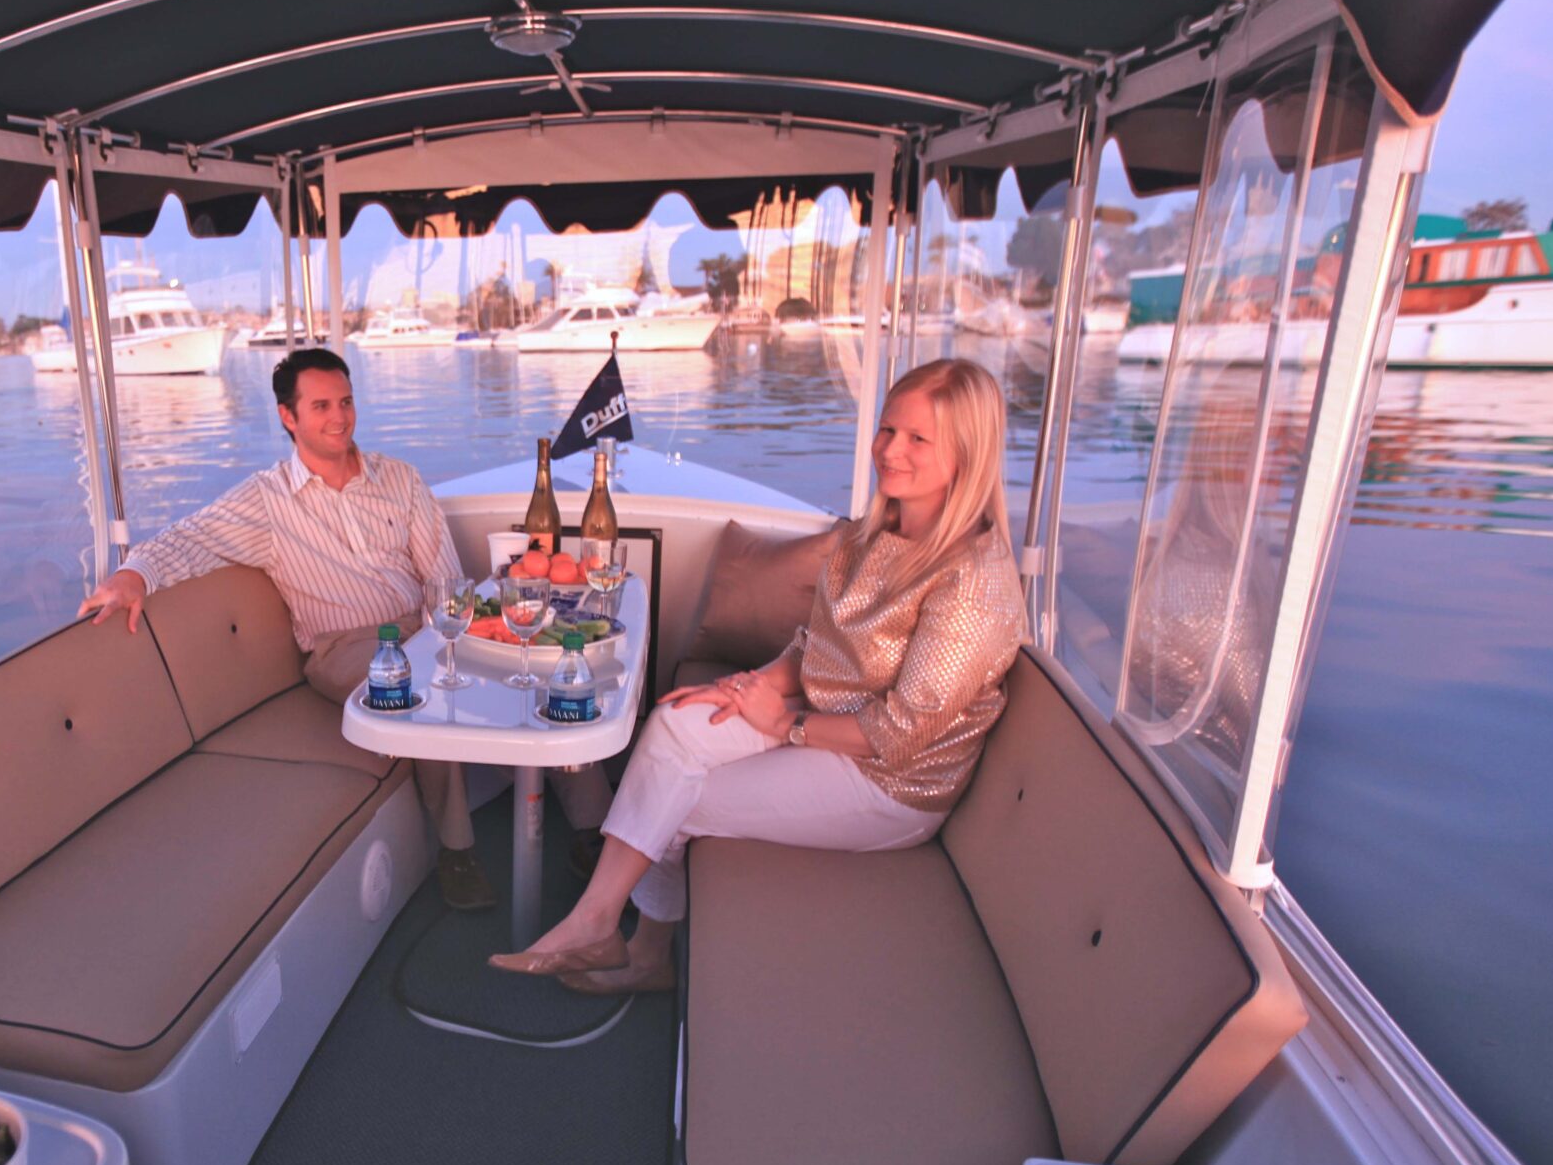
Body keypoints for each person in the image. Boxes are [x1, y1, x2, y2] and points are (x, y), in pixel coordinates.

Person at [488, 358, 1026, 992]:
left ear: (967, 453)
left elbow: (900, 733)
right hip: (820, 721)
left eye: (917, 439)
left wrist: (787, 724)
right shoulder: (870, 535)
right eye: (886, 429)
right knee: (674, 723)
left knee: (679, 800)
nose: (889, 450)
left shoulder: (973, 581)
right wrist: (755, 685)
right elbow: (815, 643)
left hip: (889, 783)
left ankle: (642, 953)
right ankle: (599, 923)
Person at [79, 348, 608, 910]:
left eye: (347, 401)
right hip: (346, 648)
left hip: (424, 625)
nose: (340, 417)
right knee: (408, 687)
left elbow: (443, 577)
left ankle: (595, 830)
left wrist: (463, 634)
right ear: (289, 417)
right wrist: (135, 574)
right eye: (322, 405)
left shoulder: (399, 479)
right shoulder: (266, 501)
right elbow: (191, 536)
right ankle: (457, 850)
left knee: (540, 667)